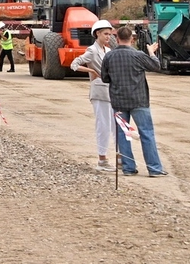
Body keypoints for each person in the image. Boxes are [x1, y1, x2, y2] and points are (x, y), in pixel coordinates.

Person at [100, 26, 167, 177]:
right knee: (146, 133)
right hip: (139, 100)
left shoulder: (109, 57)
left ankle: (128, 168)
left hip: (119, 101)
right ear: (132, 38)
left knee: (124, 135)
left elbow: (105, 78)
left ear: (116, 39)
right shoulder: (138, 55)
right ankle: (154, 169)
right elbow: (156, 66)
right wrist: (151, 52)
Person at [70, 20, 118, 172]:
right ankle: (102, 159)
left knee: (115, 125)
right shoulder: (92, 50)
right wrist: (92, 72)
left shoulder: (108, 51)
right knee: (103, 125)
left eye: (110, 34)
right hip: (99, 93)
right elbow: (74, 64)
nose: (108, 37)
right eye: (105, 34)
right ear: (97, 33)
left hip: (111, 92)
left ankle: (121, 157)